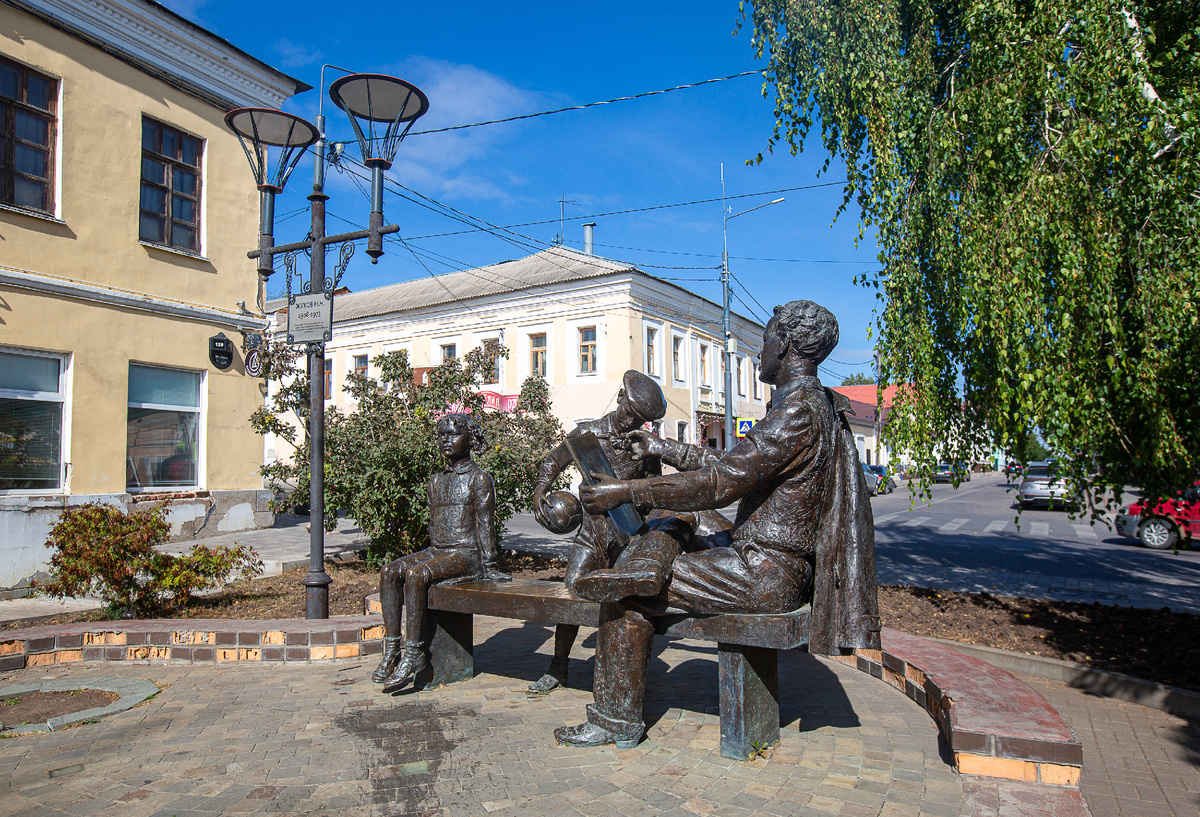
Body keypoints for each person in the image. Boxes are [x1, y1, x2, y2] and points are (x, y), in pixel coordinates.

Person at [555, 299, 881, 748]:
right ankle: (647, 565)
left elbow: (721, 481)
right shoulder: (810, 403)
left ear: (784, 343)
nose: (762, 349)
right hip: (768, 561)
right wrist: (661, 448)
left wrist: (626, 491)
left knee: (624, 595)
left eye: (766, 338)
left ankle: (614, 720)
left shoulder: (797, 413)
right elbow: (732, 464)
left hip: (765, 571)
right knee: (680, 515)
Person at [526, 370, 668, 694]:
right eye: (630, 412)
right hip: (591, 534)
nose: (631, 422)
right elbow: (552, 462)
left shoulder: (640, 447)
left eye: (640, 419)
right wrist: (539, 492)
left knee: (624, 604)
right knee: (570, 596)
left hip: (626, 536)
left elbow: (653, 490)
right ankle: (558, 665)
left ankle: (616, 673)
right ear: (619, 399)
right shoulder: (587, 433)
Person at [372, 413, 510, 691]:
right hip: (440, 551)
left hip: (466, 556)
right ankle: (392, 649)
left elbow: (485, 525)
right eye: (441, 435)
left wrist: (490, 565)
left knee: (416, 575)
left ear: (470, 440)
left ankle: (414, 654)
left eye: (453, 435)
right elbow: (435, 527)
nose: (445, 440)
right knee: (389, 571)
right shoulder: (436, 481)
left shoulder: (479, 479)